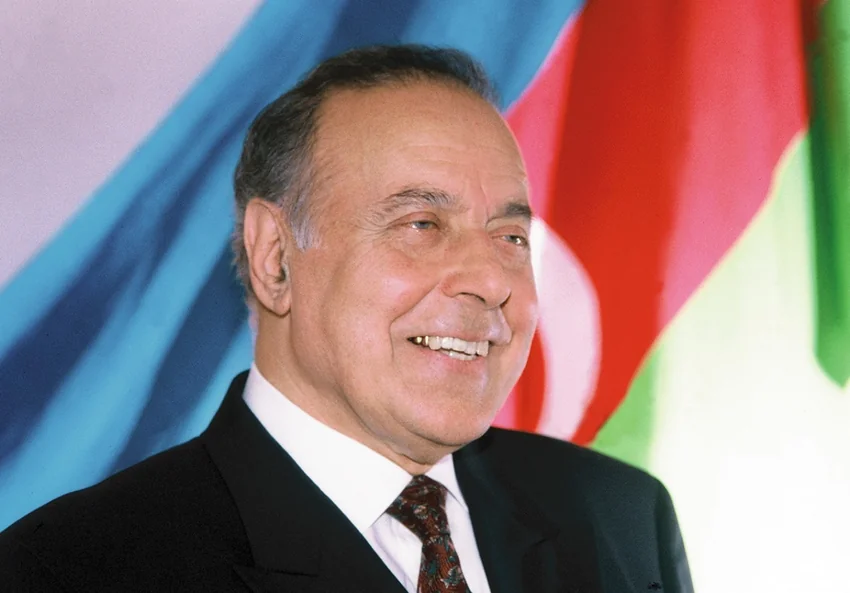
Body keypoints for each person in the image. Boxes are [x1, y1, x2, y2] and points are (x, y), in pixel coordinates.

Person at [0, 45, 693, 592]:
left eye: (510, 237)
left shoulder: (620, 515)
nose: (491, 281)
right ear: (275, 259)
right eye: (421, 224)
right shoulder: (74, 568)